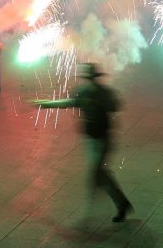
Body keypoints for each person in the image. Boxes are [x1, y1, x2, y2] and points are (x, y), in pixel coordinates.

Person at [31, 63, 133, 223]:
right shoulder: (83, 92)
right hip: (91, 140)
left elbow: (115, 107)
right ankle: (122, 203)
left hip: (103, 139)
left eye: (92, 79)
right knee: (100, 174)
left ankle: (121, 204)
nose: (90, 83)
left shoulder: (103, 93)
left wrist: (109, 99)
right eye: (89, 80)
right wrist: (46, 104)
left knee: (98, 173)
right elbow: (67, 103)